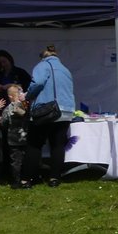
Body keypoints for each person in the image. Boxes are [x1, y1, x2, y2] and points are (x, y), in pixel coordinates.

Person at [23, 44, 75, 187]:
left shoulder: (42, 66)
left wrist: (27, 96)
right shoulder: (65, 69)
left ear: (43, 56)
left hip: (47, 111)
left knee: (34, 144)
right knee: (58, 145)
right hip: (65, 111)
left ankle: (27, 179)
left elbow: (38, 82)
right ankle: (54, 178)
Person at [0, 84, 30, 189]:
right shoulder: (26, 105)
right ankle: (26, 178)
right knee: (25, 159)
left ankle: (16, 181)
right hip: (25, 137)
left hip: (14, 139)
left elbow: (4, 122)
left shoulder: (9, 108)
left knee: (16, 161)